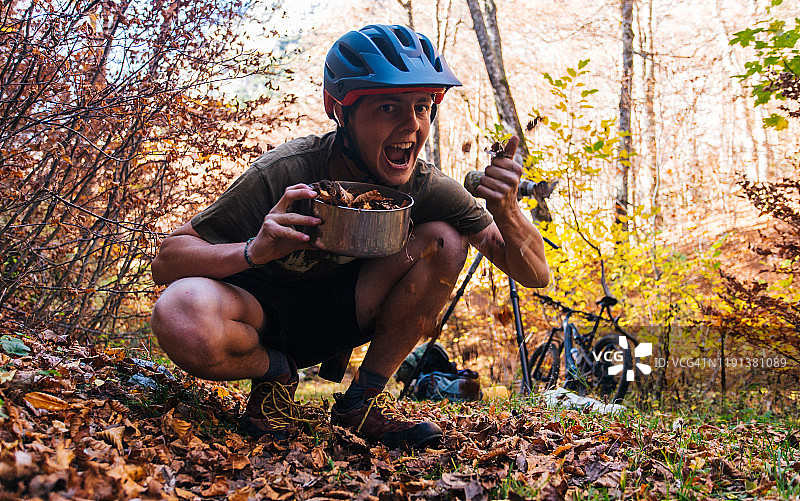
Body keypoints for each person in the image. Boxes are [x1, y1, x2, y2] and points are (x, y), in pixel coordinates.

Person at [150, 24, 549, 450]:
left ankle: (359, 404)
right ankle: (276, 374)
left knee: (445, 239)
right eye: (387, 108)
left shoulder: (427, 186)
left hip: (345, 313)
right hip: (256, 317)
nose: (411, 125)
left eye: (421, 106)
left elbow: (535, 274)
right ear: (339, 110)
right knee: (180, 313)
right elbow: (167, 261)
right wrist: (254, 250)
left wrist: (507, 210)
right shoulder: (287, 171)